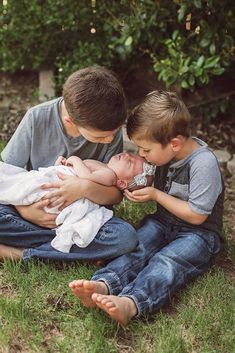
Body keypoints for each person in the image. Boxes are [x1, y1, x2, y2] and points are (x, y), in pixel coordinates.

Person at [69, 90, 224, 325]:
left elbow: (197, 216)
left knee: (168, 261)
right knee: (139, 245)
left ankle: (131, 303)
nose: (141, 155)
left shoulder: (203, 163)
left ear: (174, 144)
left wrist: (155, 195)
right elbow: (127, 174)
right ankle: (105, 283)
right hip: (163, 223)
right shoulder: (163, 156)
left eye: (146, 150)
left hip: (199, 234)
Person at [0, 65, 139, 262]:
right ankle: (75, 250)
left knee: (125, 237)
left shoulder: (111, 130)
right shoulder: (36, 117)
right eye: (102, 136)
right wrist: (27, 212)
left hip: (79, 218)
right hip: (32, 210)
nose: (110, 139)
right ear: (70, 121)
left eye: (113, 133)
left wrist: (83, 187)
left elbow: (114, 195)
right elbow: (8, 177)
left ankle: (22, 253)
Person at [0, 153, 155, 253]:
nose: (127, 155)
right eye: (131, 155)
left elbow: (86, 177)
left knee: (123, 236)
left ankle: (23, 251)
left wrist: (75, 160)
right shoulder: (105, 168)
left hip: (56, 200)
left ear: (121, 183)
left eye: (130, 163)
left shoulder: (109, 175)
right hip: (36, 208)